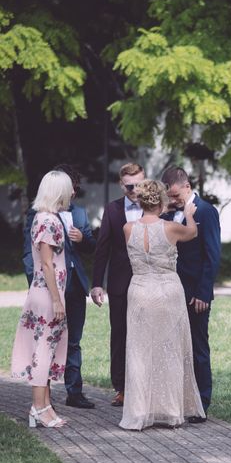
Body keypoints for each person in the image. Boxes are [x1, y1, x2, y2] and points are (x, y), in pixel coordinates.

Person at [119, 180, 205, 430]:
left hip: (139, 293)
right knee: (170, 350)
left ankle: (139, 411)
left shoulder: (127, 228)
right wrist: (188, 214)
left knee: (139, 352)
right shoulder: (172, 228)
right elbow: (193, 233)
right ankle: (170, 410)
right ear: (161, 202)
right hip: (167, 293)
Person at [22, 164, 97, 409]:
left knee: (71, 341)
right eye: (69, 189)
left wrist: (83, 238)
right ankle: (43, 402)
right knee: (46, 344)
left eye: (74, 189)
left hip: (74, 285)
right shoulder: (41, 218)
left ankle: (73, 392)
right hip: (50, 289)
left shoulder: (79, 213)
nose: (73, 194)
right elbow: (36, 258)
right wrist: (42, 289)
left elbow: (91, 247)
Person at [11, 170, 73, 428]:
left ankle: (45, 406)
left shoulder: (45, 217)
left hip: (47, 292)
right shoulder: (48, 221)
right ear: (59, 191)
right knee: (44, 352)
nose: (72, 193)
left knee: (47, 349)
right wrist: (57, 301)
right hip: (48, 294)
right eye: (69, 188)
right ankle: (38, 408)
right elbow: (47, 264)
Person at [161, 166, 221, 423]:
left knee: (198, 347)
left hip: (195, 293)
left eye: (176, 195)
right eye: (170, 196)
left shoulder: (206, 212)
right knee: (173, 347)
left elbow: (212, 255)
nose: (174, 200)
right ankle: (178, 400)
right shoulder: (168, 213)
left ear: (187, 186)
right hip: (170, 290)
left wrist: (203, 293)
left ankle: (201, 402)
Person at [91, 163, 145, 407]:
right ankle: (121, 387)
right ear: (121, 185)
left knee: (146, 334)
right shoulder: (112, 210)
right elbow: (102, 248)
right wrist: (96, 284)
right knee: (120, 334)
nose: (135, 190)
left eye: (139, 184)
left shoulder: (156, 207)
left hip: (148, 281)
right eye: (130, 185)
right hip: (119, 282)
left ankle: (145, 384)